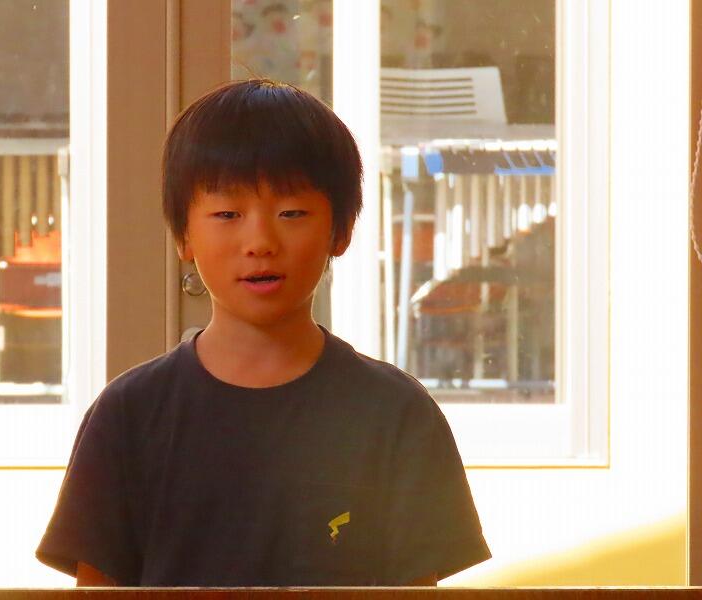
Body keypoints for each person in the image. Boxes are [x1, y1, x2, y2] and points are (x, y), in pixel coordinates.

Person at [36, 79, 491, 587]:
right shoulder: (128, 414)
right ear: (184, 235)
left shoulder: (397, 413)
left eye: (291, 213)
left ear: (340, 230)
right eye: (227, 214)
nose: (260, 241)